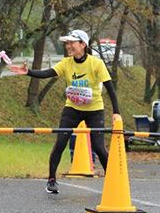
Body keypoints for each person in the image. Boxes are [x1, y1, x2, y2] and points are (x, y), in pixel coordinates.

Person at [10, 29, 122, 194]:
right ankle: (52, 180)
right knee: (60, 143)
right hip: (72, 109)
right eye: (67, 43)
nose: (68, 46)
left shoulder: (96, 64)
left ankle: (112, 179)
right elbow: (48, 73)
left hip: (94, 110)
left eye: (72, 43)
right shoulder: (66, 63)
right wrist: (28, 72)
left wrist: (116, 112)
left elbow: (110, 89)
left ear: (83, 45)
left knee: (98, 146)